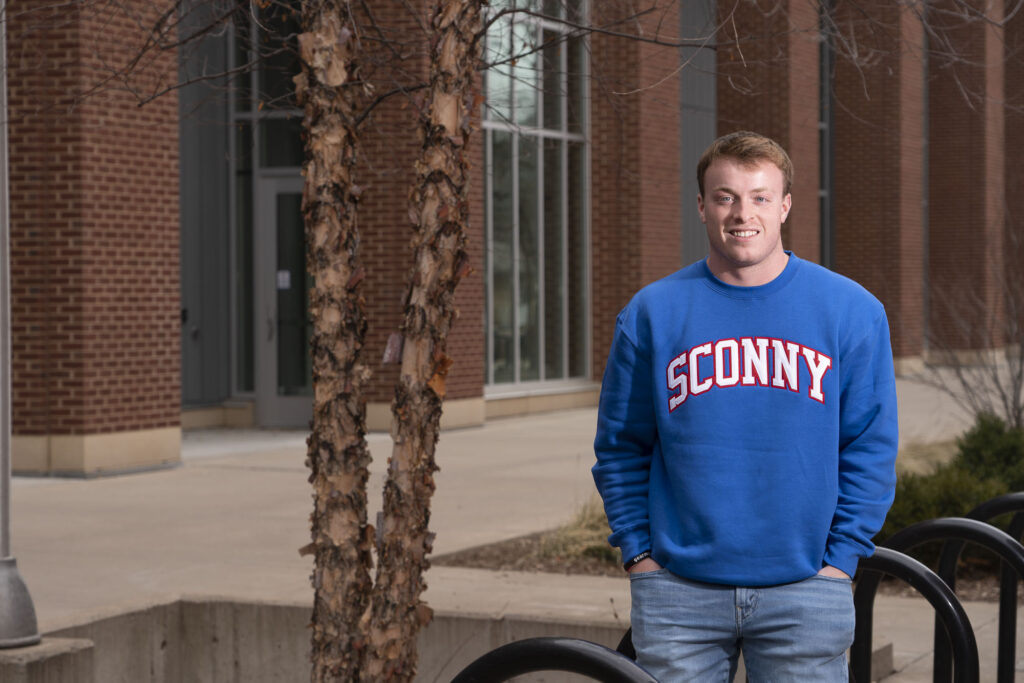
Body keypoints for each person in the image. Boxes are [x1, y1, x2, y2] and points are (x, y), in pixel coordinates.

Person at [592, 131, 898, 681]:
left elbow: (870, 447)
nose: (742, 213)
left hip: (806, 592)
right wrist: (640, 556)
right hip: (678, 595)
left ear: (784, 206)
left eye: (759, 196)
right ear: (703, 207)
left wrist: (839, 563)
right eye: (726, 196)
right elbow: (620, 447)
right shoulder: (652, 314)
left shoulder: (852, 312)